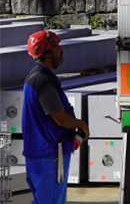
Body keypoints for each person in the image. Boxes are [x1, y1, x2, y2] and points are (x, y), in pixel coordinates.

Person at [22, 30, 90, 204]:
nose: (61, 50)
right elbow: (60, 118)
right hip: (49, 155)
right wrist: (81, 124)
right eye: (57, 47)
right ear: (48, 55)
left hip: (39, 153)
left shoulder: (35, 77)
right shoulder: (44, 82)